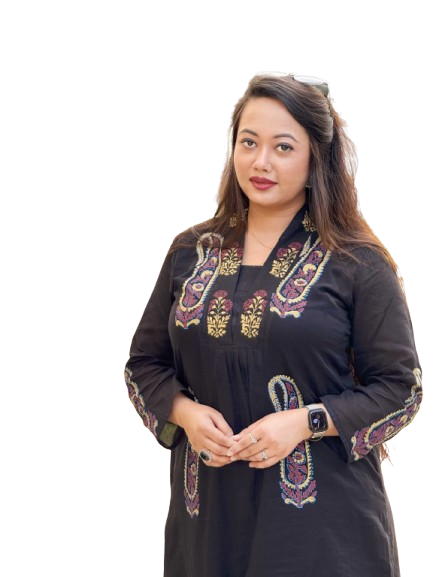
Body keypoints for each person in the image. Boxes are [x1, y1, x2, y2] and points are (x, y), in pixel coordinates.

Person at [124, 71, 422, 577]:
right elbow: (143, 365)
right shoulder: (191, 252)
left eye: (283, 147)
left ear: (316, 158)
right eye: (248, 142)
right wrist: (186, 414)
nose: (261, 162)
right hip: (208, 523)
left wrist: (305, 423)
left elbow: (401, 390)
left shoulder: (357, 263)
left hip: (324, 531)